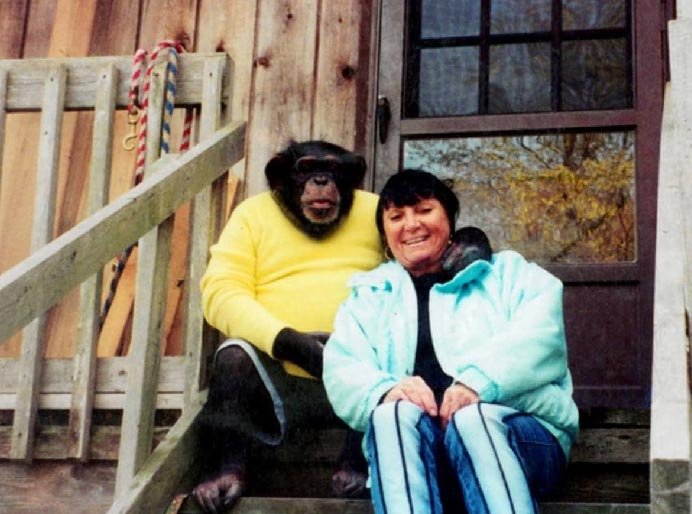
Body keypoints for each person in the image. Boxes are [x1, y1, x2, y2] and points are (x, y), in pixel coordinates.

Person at [323, 169, 579, 514]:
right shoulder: (369, 295)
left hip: (522, 439)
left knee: (472, 419)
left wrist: (477, 383)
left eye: (424, 210)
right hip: (419, 452)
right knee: (390, 416)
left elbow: (541, 335)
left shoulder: (505, 273)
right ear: (385, 235)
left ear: (450, 218)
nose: (411, 224)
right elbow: (343, 365)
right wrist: (385, 391)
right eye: (397, 217)